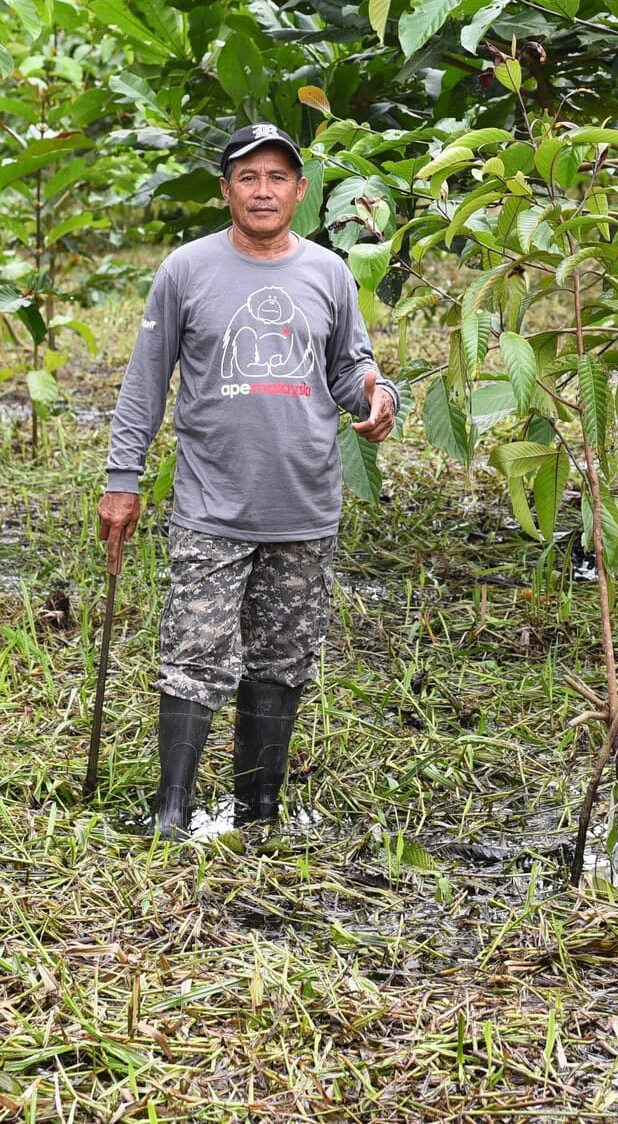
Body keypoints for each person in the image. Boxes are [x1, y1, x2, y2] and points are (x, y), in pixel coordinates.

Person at [98, 122, 398, 839]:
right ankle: (171, 810)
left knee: (282, 659)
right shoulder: (186, 270)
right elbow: (146, 384)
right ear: (226, 190)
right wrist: (122, 476)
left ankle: (258, 811)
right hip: (211, 503)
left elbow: (350, 369)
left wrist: (379, 395)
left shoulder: (328, 272)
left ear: (299, 189)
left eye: (277, 178)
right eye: (247, 177)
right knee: (192, 654)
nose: (263, 191)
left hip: (302, 504)